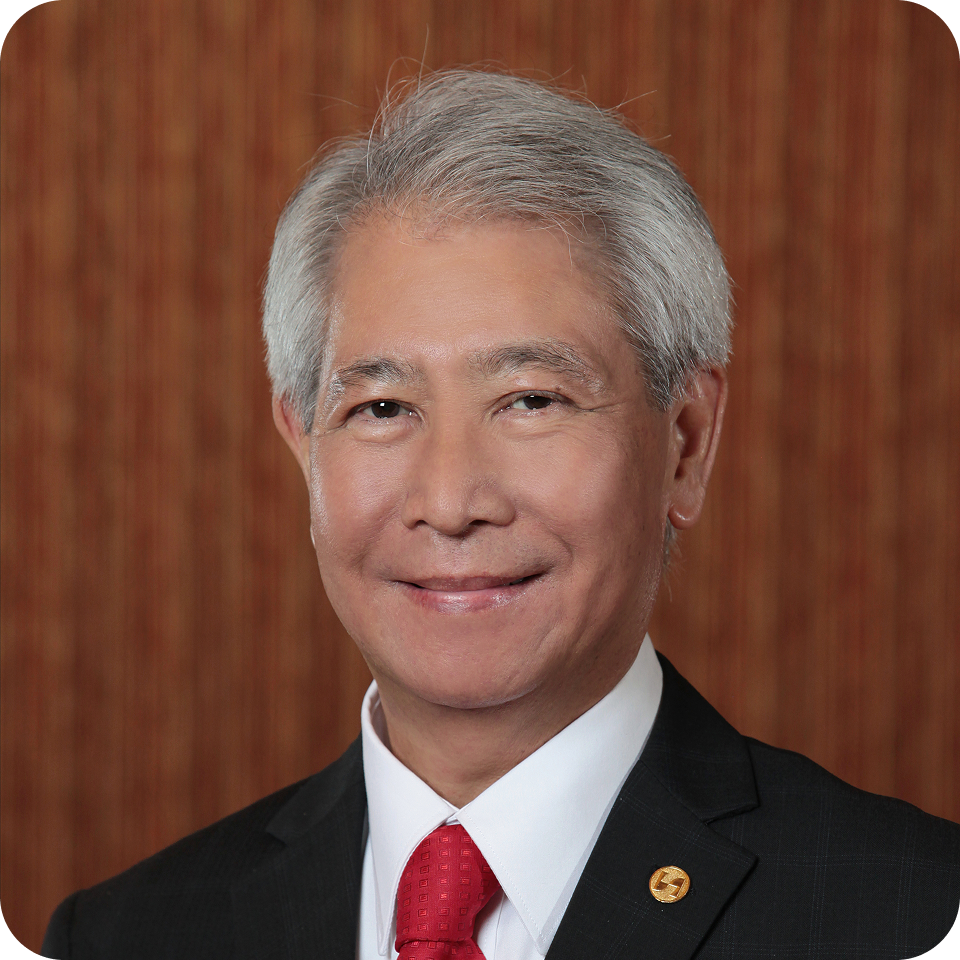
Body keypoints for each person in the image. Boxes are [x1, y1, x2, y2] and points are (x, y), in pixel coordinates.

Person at [42, 69, 958, 960]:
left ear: (684, 443)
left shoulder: (909, 911)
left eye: (532, 400)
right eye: (383, 409)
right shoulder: (128, 935)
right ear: (304, 447)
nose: (450, 503)